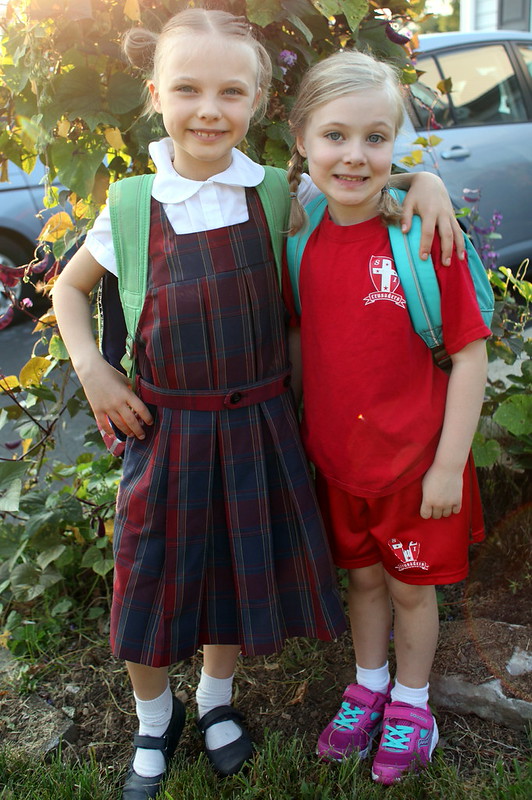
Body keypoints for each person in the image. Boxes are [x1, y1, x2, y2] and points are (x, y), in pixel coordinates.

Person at [53, 9, 464, 799]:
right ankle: (154, 718)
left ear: (259, 102)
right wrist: (93, 370)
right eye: (188, 89)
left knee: (230, 574)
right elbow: (69, 290)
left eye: (230, 92)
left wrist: (427, 181)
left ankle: (216, 701)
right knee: (147, 580)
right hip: (166, 429)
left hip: (255, 425)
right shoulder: (134, 203)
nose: (209, 110)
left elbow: (358, 185)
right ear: (154, 96)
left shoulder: (279, 192)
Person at [284, 50, 491, 785]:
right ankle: (368, 688)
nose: (355, 155)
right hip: (339, 460)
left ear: (396, 142)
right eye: (335, 135)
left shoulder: (423, 234)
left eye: (377, 138)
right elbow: (302, 337)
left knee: (410, 588)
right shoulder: (298, 232)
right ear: (302, 138)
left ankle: (412, 704)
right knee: (364, 583)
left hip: (416, 463)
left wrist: (447, 466)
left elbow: (469, 354)